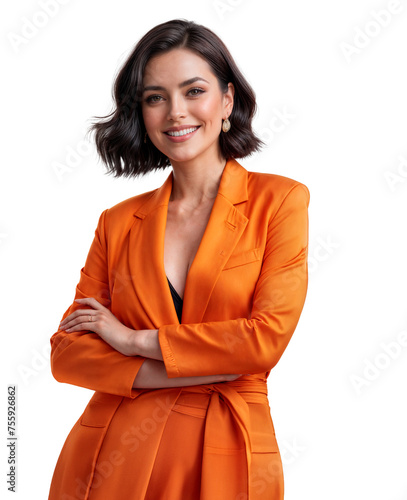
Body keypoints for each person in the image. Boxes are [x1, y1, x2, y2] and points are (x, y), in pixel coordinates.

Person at [48, 19, 310, 500]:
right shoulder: (117, 221)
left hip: (224, 455)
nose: (176, 112)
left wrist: (132, 340)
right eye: (155, 97)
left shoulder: (280, 201)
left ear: (227, 100)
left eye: (194, 90)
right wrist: (209, 365)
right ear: (141, 112)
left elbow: (263, 342)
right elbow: (68, 354)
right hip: (110, 460)